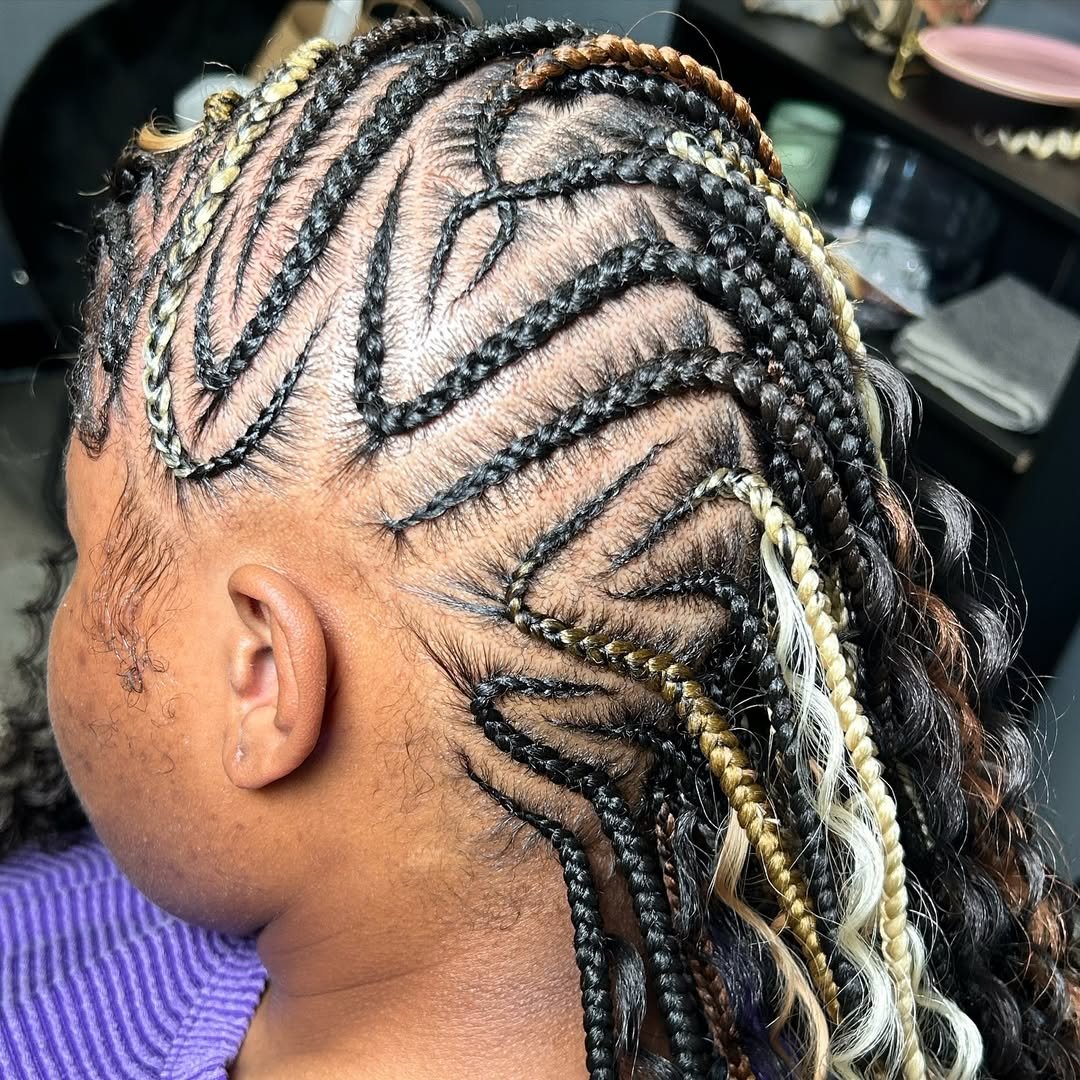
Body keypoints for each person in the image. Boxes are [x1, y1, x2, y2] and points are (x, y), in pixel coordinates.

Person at [1, 15, 1077, 1080]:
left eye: (91, 550)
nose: (69, 594)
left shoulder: (41, 1007)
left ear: (263, 675)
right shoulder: (782, 1002)